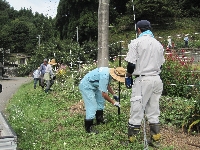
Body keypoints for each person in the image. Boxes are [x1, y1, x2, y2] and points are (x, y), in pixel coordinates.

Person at [125, 20, 165, 147]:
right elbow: (161, 64)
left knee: (137, 108)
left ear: (138, 30)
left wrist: (128, 76)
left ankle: (132, 140)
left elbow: (131, 65)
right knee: (153, 110)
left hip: (143, 80)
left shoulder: (135, 43)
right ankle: (156, 139)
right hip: (157, 79)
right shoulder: (159, 44)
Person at [79, 67, 125, 134]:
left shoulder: (109, 72)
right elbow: (104, 94)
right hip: (86, 85)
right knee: (92, 106)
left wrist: (113, 94)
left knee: (101, 100)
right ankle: (88, 128)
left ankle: (99, 119)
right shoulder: (105, 75)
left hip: (95, 85)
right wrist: (114, 102)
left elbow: (106, 84)